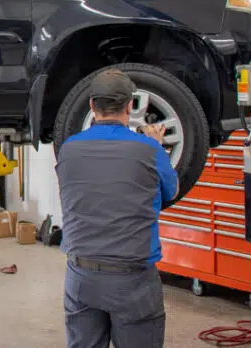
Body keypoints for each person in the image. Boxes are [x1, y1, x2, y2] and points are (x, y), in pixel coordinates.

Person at [56, 69, 178, 348]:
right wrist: (157, 146)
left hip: (80, 276)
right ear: (129, 106)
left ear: (91, 106)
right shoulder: (149, 149)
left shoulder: (68, 149)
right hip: (132, 280)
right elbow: (171, 192)